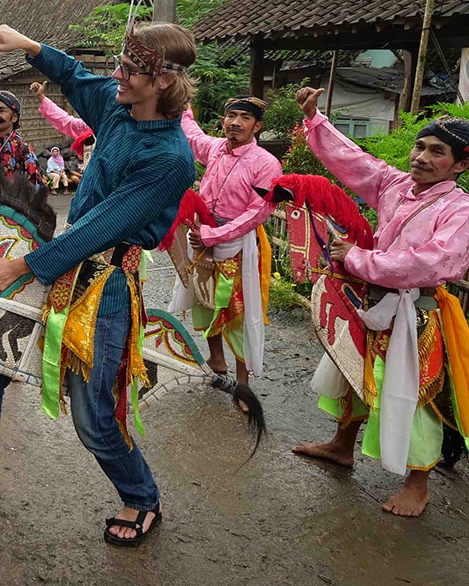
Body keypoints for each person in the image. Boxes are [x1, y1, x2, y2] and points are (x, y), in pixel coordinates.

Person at [0, 23, 197, 550]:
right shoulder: (119, 108)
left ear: (163, 81)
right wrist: (28, 45)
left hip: (104, 286)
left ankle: (142, 498)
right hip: (59, 264)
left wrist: (25, 264)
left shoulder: (170, 159)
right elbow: (75, 75)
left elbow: (106, 226)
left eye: (128, 70)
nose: (115, 75)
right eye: (119, 64)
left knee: (93, 417)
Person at [290, 87, 469, 517]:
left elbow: (434, 261)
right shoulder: (396, 186)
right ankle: (341, 445)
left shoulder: (460, 209)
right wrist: (316, 119)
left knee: (413, 396)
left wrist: (356, 257)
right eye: (420, 145)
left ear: (461, 165)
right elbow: (356, 162)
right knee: (350, 372)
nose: (421, 157)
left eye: (437, 152)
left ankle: (418, 484)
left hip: (415, 314)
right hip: (371, 301)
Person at [173, 97, 282, 401]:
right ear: (223, 121)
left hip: (236, 243)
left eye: (245, 118)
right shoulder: (216, 149)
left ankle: (243, 384)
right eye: (231, 115)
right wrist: (182, 101)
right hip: (203, 235)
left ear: (257, 126)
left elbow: (258, 212)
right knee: (204, 300)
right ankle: (217, 359)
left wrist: (215, 236)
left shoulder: (266, 163)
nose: (235, 122)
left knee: (235, 311)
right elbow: (191, 133)